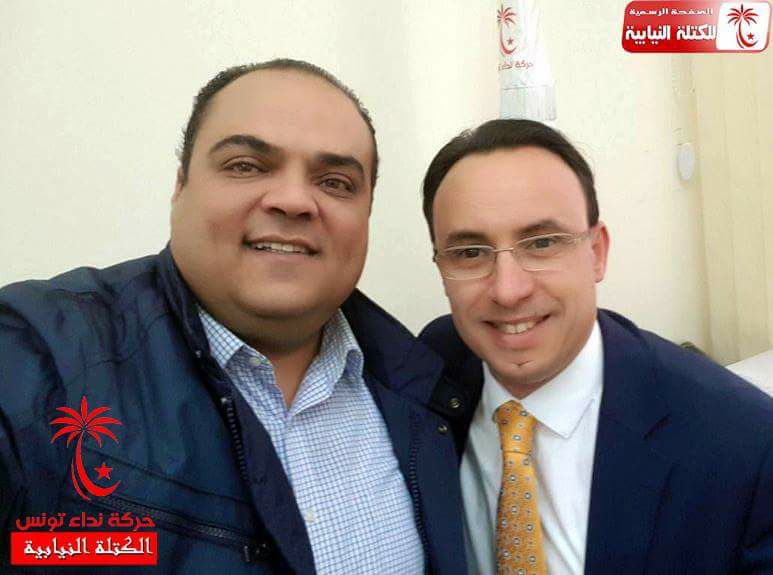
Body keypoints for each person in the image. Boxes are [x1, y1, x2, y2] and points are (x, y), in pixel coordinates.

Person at [0, 59, 466, 574]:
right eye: (246, 165)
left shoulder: (431, 388)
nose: (294, 200)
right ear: (180, 185)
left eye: (335, 181)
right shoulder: (35, 355)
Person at [419, 119, 773, 574]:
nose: (507, 291)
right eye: (470, 253)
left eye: (542, 243)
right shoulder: (426, 374)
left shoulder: (744, 444)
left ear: (597, 253)